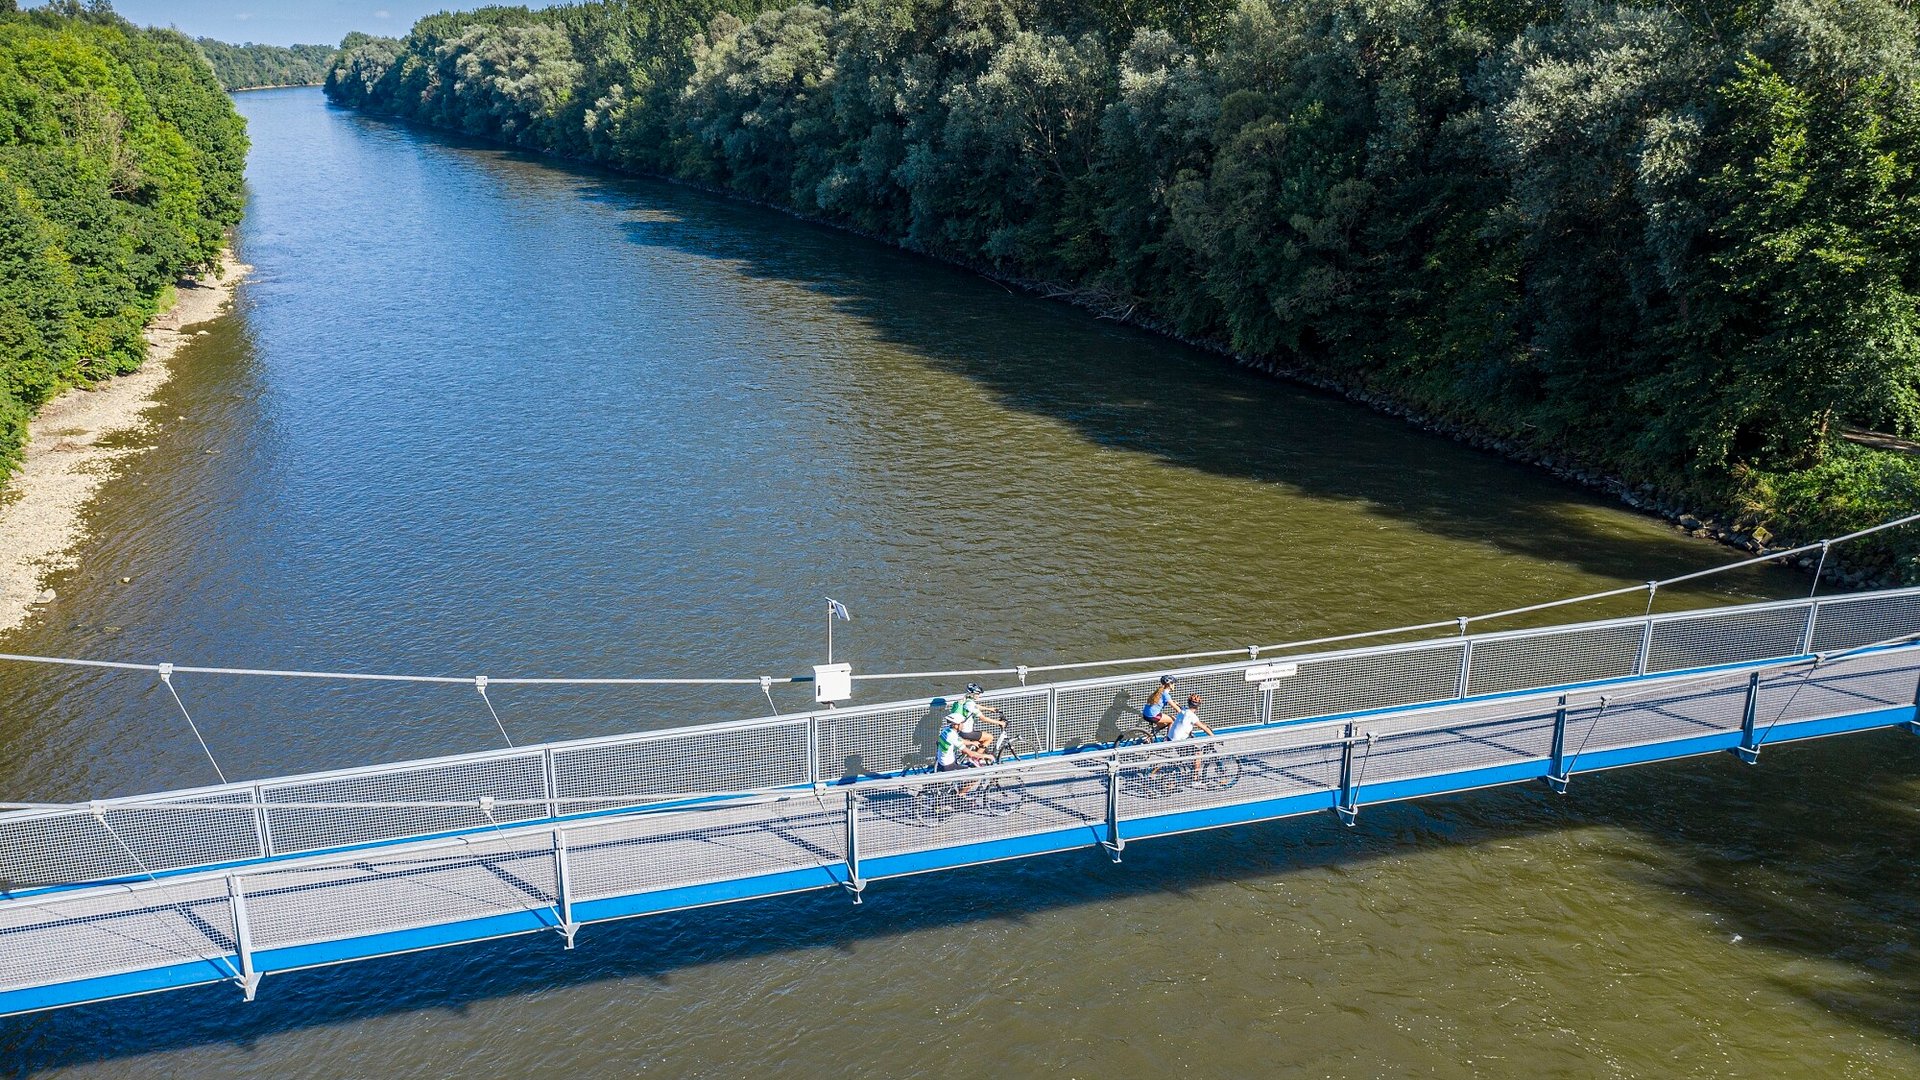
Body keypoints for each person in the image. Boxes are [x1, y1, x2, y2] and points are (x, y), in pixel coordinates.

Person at [1166, 694, 1216, 781]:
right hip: (1178, 742)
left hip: (1171, 738)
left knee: (1191, 738)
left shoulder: (1183, 711)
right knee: (1198, 753)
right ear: (1198, 706)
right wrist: (1214, 737)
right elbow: (1203, 727)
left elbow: (1182, 708)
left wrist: (1178, 704)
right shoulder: (1193, 716)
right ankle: (1195, 779)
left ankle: (1188, 764)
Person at [947, 682, 1006, 750]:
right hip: (967, 732)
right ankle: (977, 759)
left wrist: (989, 709)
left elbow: (976, 706)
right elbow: (983, 718)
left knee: (979, 740)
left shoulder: (965, 700)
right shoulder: (970, 704)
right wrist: (1000, 723)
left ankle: (970, 755)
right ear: (973, 694)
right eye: (977, 694)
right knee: (989, 737)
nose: (979, 695)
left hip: (961, 730)